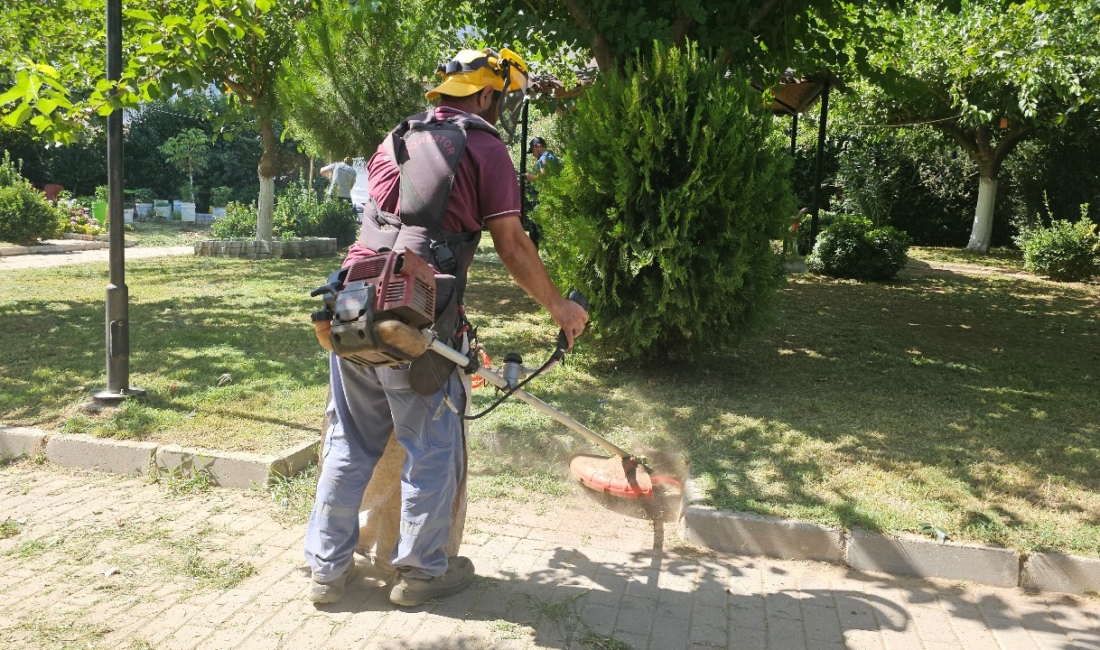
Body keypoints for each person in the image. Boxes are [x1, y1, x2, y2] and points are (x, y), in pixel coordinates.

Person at [303, 47, 589, 608]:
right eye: (503, 99)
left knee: (348, 442)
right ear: (487, 95)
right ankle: (422, 572)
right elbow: (511, 243)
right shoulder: (484, 147)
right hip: (417, 318)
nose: (503, 109)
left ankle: (327, 571)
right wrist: (560, 307)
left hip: (350, 305)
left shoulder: (396, 137)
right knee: (429, 446)